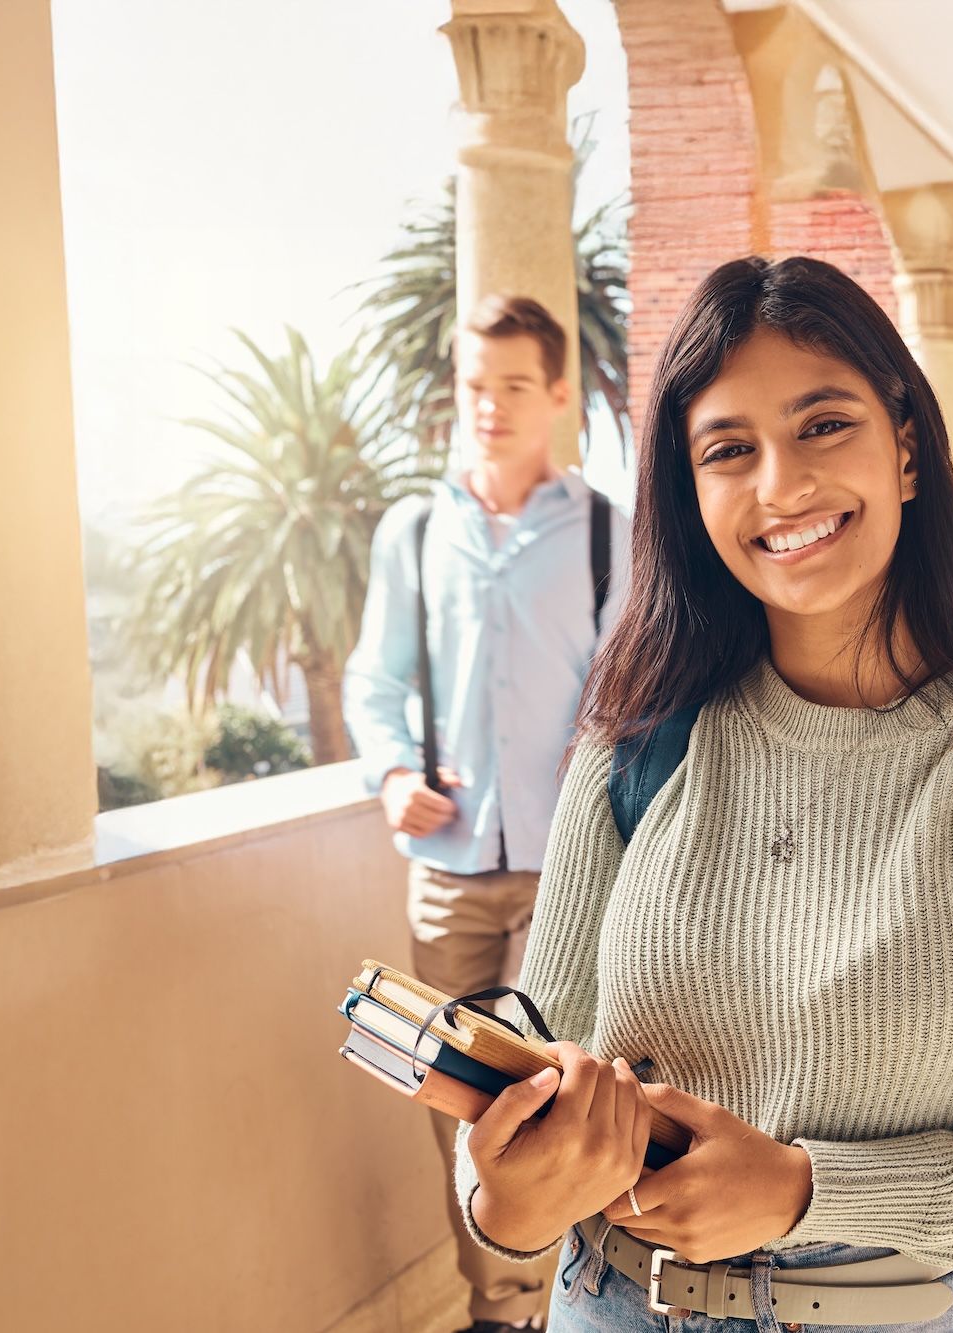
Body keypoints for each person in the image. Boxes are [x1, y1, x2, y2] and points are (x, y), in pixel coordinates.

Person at [448, 256, 953, 1332]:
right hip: (610, 1301)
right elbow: (548, 1071)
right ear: (690, 490)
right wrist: (509, 1203)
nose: (779, 486)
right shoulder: (631, 747)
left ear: (904, 447)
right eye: (727, 450)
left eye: (822, 426)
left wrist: (809, 1190)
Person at [345, 294, 631, 1333]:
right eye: (475, 387)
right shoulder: (413, 532)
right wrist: (387, 775)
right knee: (455, 1099)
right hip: (449, 868)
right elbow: (374, 681)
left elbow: (629, 686)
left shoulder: (607, 530)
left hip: (573, 870)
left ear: (557, 395)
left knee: (559, 1092)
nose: (491, 406)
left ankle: (576, 1297)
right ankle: (500, 1308)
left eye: (514, 385)